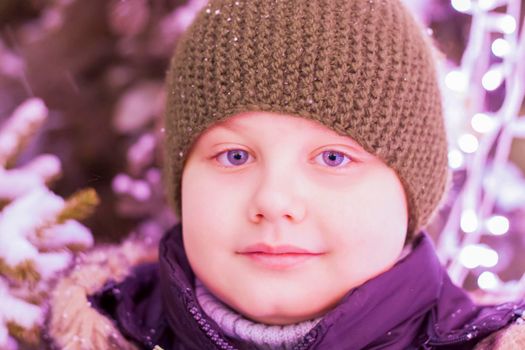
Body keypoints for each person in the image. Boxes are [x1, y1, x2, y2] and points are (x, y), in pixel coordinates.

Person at [45, 0, 525, 349]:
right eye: (235, 156)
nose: (274, 200)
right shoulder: (86, 333)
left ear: (411, 192)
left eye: (333, 158)